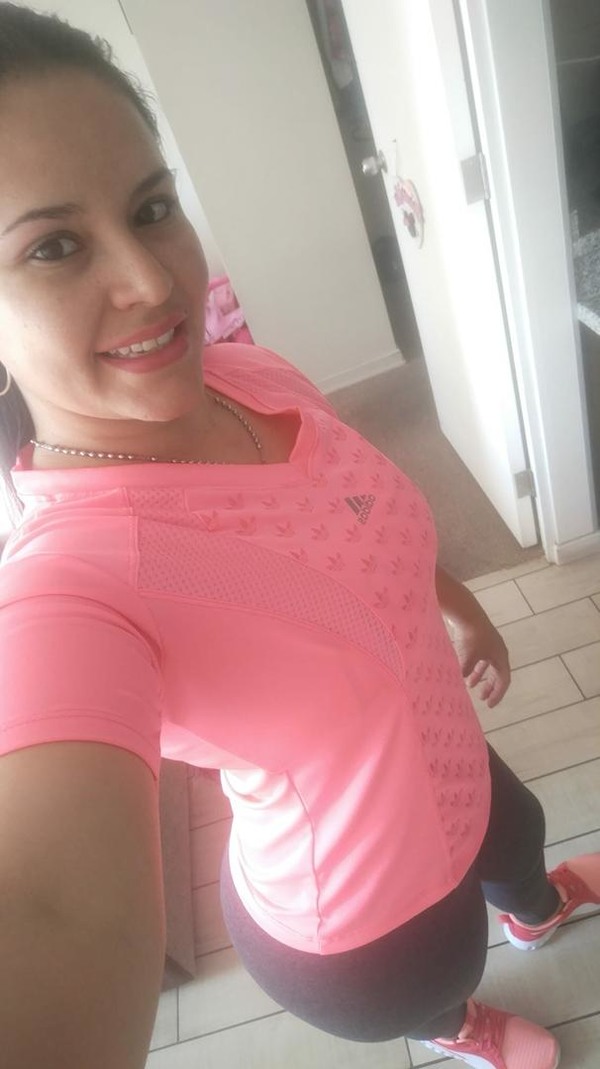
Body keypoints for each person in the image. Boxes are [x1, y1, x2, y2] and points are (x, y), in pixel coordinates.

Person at [0, 6, 598, 1068]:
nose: (151, 282)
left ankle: (535, 908)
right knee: (443, 976)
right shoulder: (66, 587)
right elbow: (51, 911)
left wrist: (456, 608)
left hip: (454, 754)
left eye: (151, 208)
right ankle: (457, 1027)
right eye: (53, 246)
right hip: (368, 919)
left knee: (520, 835)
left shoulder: (249, 376)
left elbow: (358, 527)